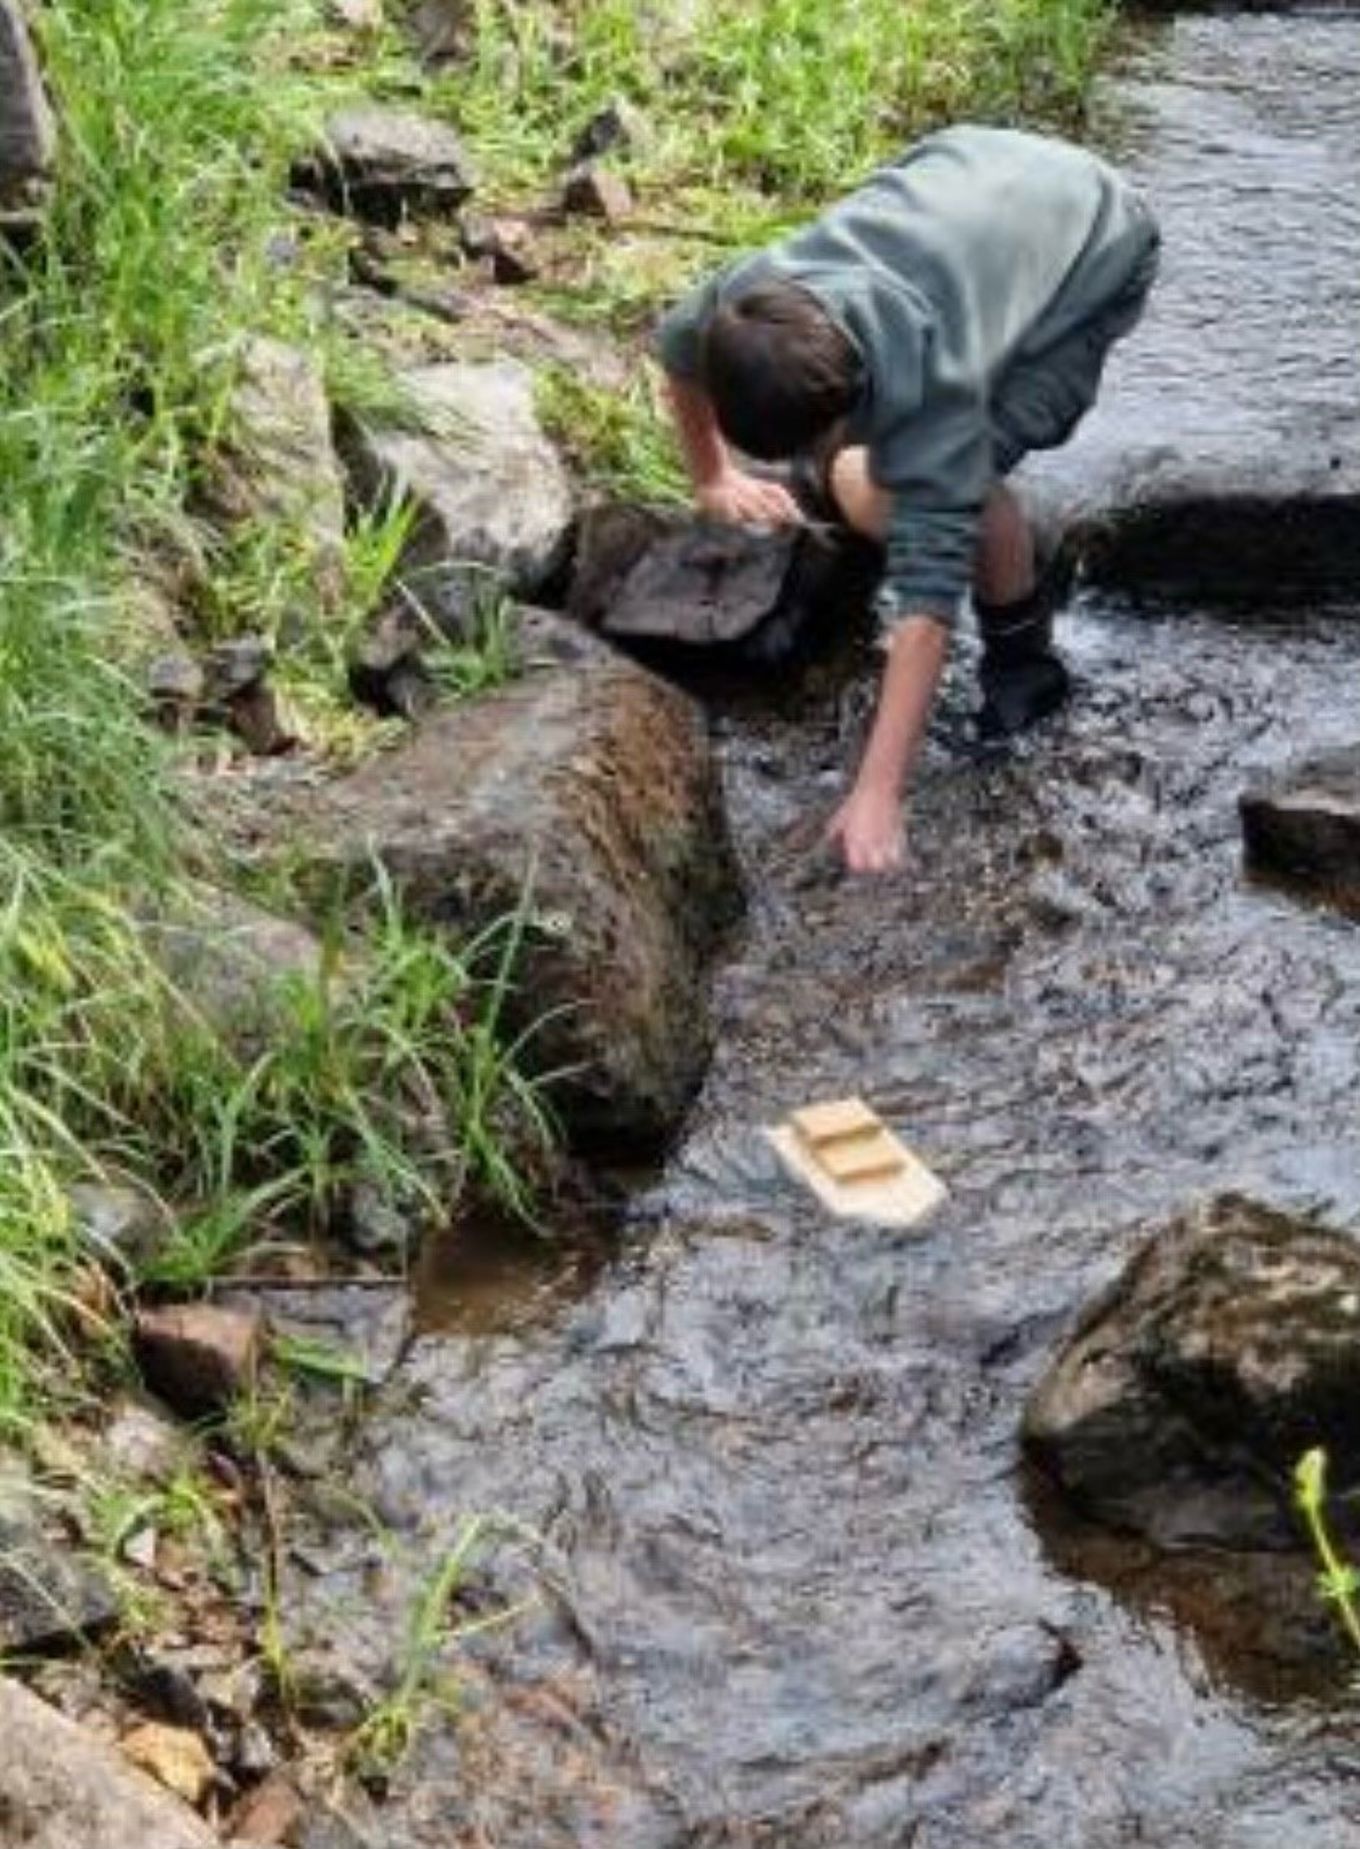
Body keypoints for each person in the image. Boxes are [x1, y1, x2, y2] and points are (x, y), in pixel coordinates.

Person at [655, 124, 1160, 874]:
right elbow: (677, 351)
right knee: (912, 489)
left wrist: (877, 792)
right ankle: (853, 477)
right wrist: (712, 477)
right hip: (974, 163)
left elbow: (925, 614)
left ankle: (1024, 664)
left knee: (960, 491)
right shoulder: (749, 301)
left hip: (1097, 245)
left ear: (846, 399)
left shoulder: (938, 401)